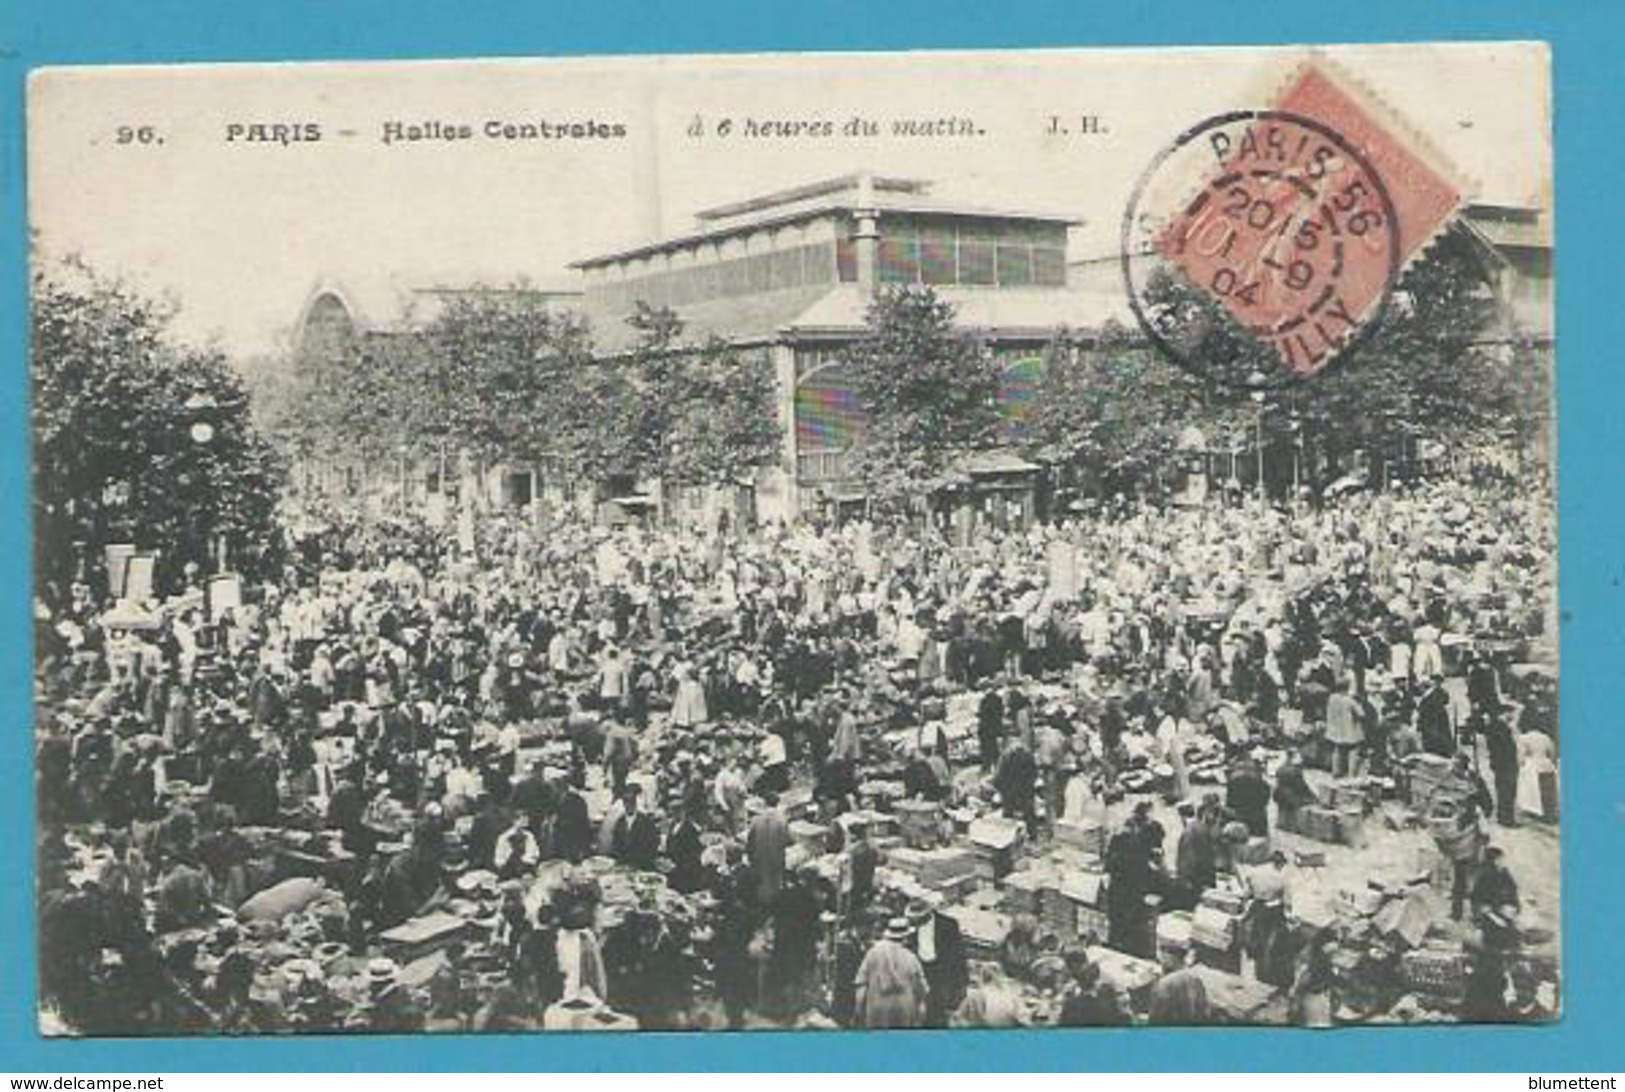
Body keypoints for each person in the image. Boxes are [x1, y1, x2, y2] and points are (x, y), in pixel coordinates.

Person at [853, 918, 930, 1029]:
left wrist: (858, 1011)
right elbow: (922, 995)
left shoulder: (872, 953)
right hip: (904, 1012)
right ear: (906, 937)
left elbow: (861, 987)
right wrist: (919, 1021)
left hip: (877, 1011)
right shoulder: (912, 958)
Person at [907, 898, 968, 1027]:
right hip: (922, 971)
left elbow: (959, 955)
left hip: (941, 972)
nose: (916, 922)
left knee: (940, 1010)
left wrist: (961, 982)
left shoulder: (949, 924)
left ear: (929, 913)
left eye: (919, 919)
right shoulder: (911, 927)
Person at [746, 790, 791, 908]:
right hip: (776, 855)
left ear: (765, 803)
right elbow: (786, 840)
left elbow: (750, 840)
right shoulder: (782, 819)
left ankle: (762, 908)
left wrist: (750, 856)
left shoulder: (756, 819)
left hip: (759, 856)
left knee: (762, 883)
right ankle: (774, 907)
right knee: (775, 883)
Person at [1147, 950, 1212, 1025]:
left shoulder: (1165, 983)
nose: (1161, 962)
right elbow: (1204, 1012)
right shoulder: (1196, 980)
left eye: (1162, 957)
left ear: (1169, 957)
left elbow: (1155, 1020)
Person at [610, 785, 661, 873]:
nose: (629, 805)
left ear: (635, 803)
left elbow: (653, 844)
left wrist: (640, 864)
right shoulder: (620, 822)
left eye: (631, 802)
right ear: (623, 804)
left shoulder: (646, 821)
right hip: (624, 865)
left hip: (641, 866)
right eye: (626, 802)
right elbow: (616, 844)